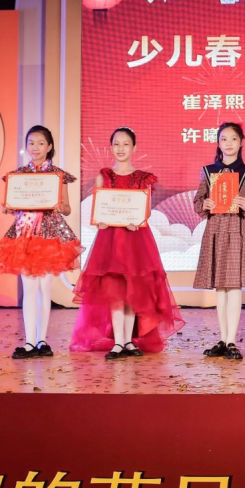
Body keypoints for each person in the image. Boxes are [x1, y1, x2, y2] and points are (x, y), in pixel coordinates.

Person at [70, 127, 185, 359]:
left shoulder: (143, 178)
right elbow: (99, 208)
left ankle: (129, 342)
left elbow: (145, 210)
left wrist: (137, 219)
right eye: (116, 144)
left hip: (135, 240)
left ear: (134, 147)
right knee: (115, 291)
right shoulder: (104, 176)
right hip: (111, 240)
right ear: (111, 147)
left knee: (134, 290)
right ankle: (118, 343)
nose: (121, 148)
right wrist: (101, 220)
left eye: (125, 144)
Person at [0, 125, 82, 359]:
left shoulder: (57, 175)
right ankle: (29, 342)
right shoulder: (18, 175)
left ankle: (42, 341)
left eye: (41, 143)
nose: (35, 147)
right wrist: (9, 207)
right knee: (29, 289)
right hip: (25, 235)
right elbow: (13, 205)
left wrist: (58, 205)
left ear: (49, 146)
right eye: (31, 143)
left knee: (44, 288)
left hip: (49, 236)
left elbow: (67, 208)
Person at [194, 122, 245, 361]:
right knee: (220, 288)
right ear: (218, 142)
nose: (229, 143)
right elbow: (198, 201)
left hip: (237, 229)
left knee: (233, 286)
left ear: (241, 142)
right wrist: (205, 204)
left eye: (233, 138)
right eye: (224, 139)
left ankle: (231, 340)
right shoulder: (208, 171)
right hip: (216, 229)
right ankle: (223, 340)